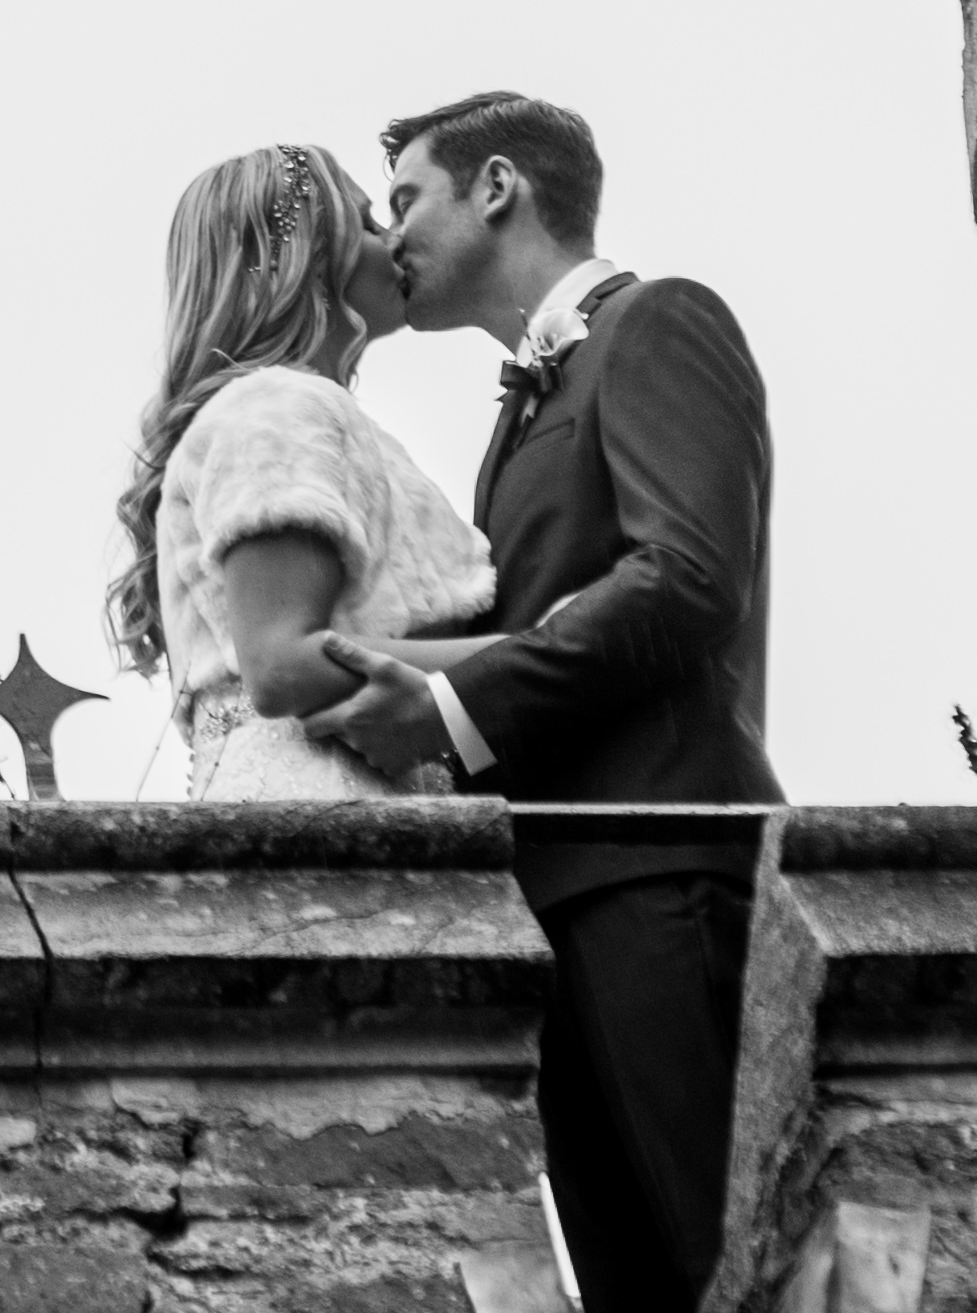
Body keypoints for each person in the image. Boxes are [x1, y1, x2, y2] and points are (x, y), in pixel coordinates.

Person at [299, 91, 777, 1313]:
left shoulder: (659, 320)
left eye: (405, 195)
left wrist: (455, 711)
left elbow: (684, 577)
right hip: (558, 885)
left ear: (496, 184)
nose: (387, 228)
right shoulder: (514, 414)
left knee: (731, 1263)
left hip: (654, 864)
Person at [110, 140, 495, 795]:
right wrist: (535, 656)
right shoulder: (280, 408)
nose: (396, 240)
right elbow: (282, 663)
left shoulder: (290, 412)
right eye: (371, 223)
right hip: (322, 801)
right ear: (309, 255)